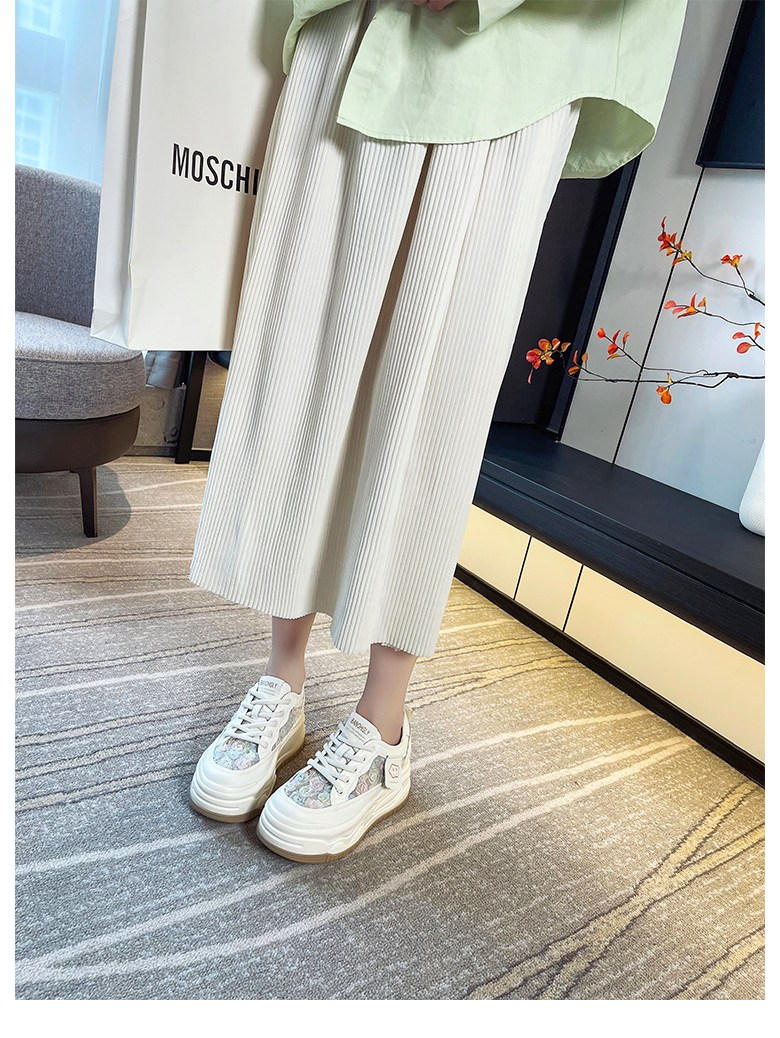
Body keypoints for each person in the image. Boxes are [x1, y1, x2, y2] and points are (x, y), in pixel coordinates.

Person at [187, 0, 688, 862]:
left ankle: (383, 727)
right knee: (304, 354)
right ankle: (282, 680)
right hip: (352, 28)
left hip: (515, 50)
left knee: (433, 389)